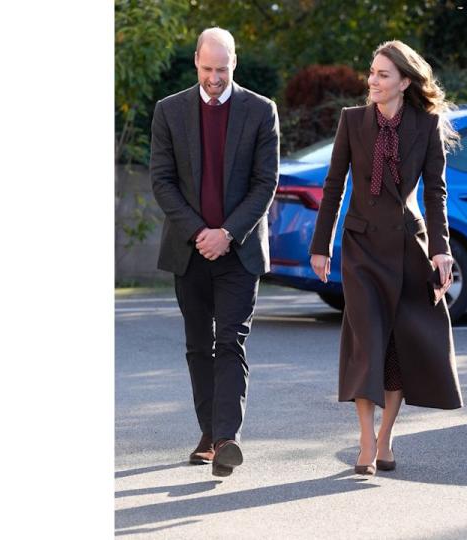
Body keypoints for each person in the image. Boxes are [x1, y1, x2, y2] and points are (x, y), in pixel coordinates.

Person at [309, 40, 463, 475]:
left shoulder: (425, 125)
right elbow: (334, 185)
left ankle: (385, 437)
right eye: (372, 73)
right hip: (360, 250)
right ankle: (363, 439)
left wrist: (441, 250)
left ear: (405, 82)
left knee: (396, 347)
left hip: (406, 250)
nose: (372, 81)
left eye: (383, 75)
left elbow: (435, 193)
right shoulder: (352, 122)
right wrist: (321, 246)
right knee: (366, 343)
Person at [150, 27, 280, 477]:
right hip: (190, 252)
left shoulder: (261, 111)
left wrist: (226, 232)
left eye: (221, 69)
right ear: (196, 62)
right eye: (207, 69)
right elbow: (162, 181)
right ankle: (209, 434)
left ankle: (226, 439)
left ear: (234, 64)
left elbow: (266, 183)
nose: (214, 78)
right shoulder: (169, 111)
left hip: (239, 253)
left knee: (230, 342)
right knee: (197, 347)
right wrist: (199, 232)